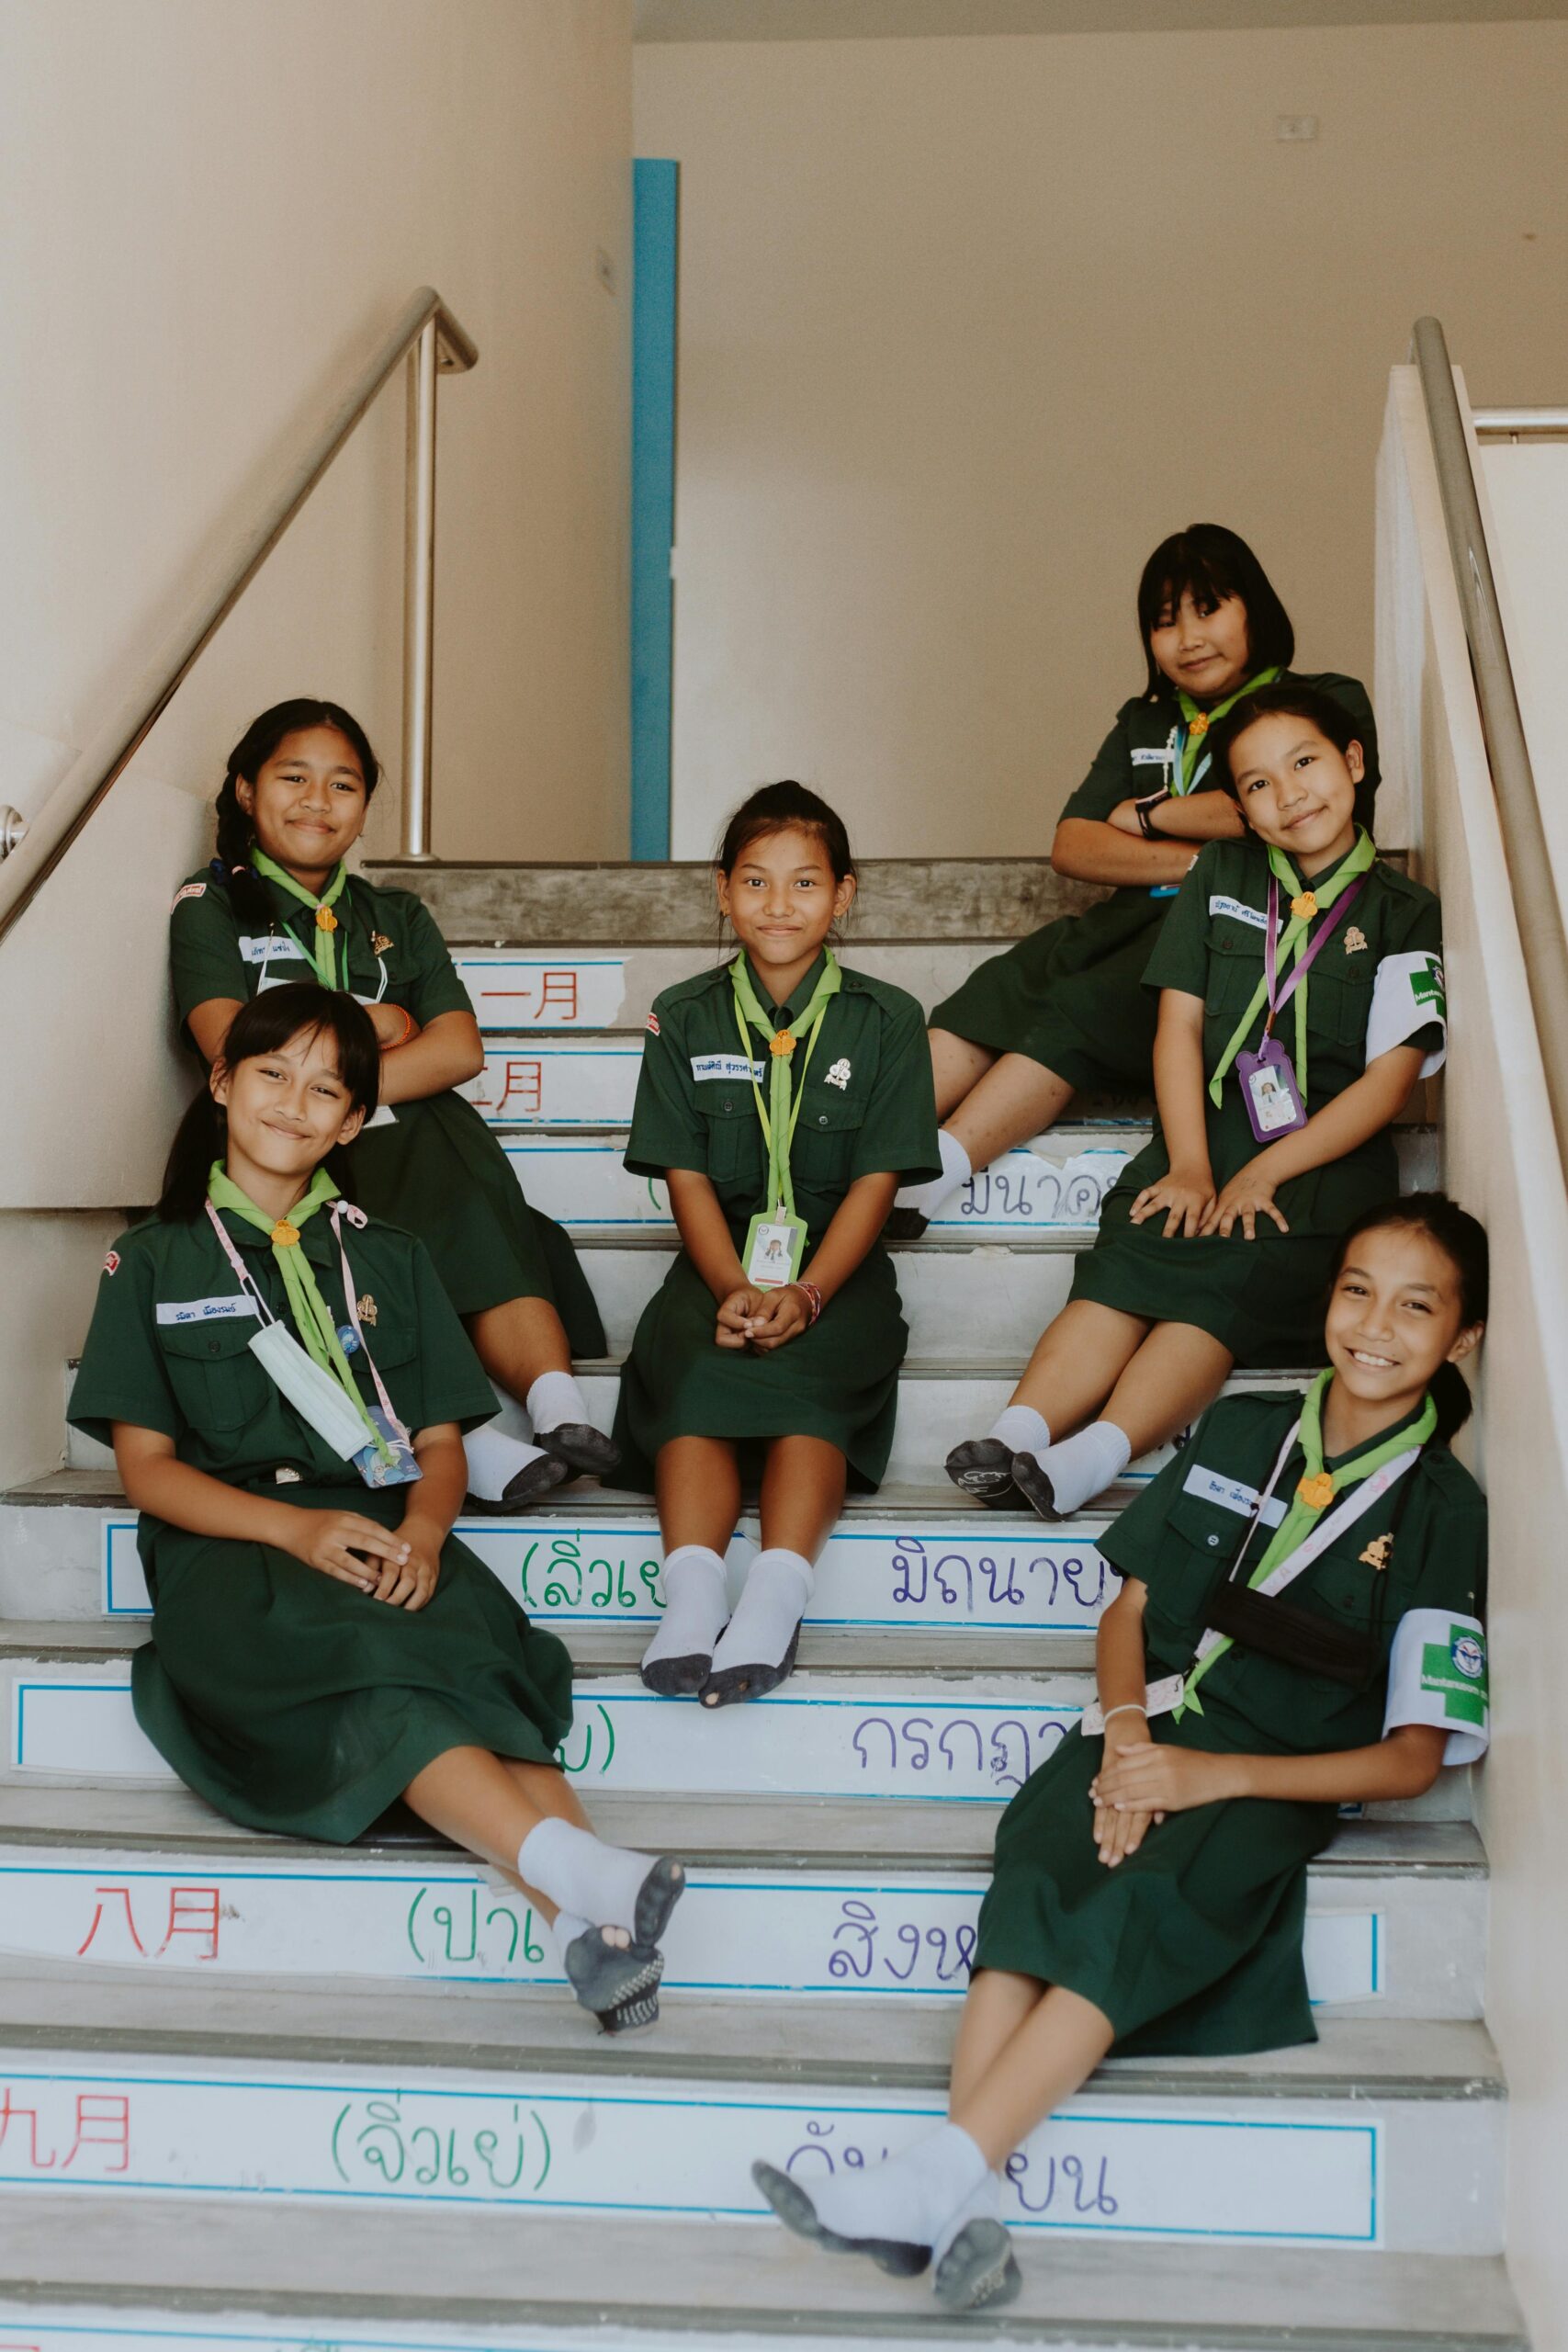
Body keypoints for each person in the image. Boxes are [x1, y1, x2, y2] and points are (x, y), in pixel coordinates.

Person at [756, 1193, 1490, 2311]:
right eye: (1357, 1290)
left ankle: (932, 2182)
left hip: (1269, 1777)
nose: (1376, 1325)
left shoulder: (1445, 1508)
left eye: (1416, 1306)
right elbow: (1128, 1615)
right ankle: (963, 2209)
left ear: (1462, 1339)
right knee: (1042, 1861)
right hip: (1149, 1726)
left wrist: (1213, 1776)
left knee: (1136, 1905)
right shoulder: (1248, 1426)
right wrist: (1132, 1738)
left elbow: (1410, 1764)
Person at [69, 984, 685, 2033]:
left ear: (355, 1121)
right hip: (236, 1548)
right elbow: (150, 1472)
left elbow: (441, 1445)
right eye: (270, 1074)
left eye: (326, 1090)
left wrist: (429, 1529)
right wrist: (293, 1527)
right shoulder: (153, 1259)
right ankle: (586, 1874)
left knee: (477, 1667)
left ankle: (582, 1927)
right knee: (384, 1685)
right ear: (221, 1082)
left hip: (385, 1528)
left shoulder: (390, 1254)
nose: (293, 1104)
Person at [947, 682, 1443, 1521]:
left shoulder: (1405, 913)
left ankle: (1088, 1459)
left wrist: (1260, 1176)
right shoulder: (1220, 871)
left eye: (1305, 763)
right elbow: (1175, 1029)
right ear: (1239, 809)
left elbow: (1388, 1084)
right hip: (1205, 1130)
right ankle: (1012, 1436)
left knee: (1224, 1275)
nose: (1287, 795)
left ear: (1352, 763)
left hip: (1322, 1157)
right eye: (1255, 784)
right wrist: (1187, 1161)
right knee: (1125, 1263)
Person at [168, 698, 615, 1512]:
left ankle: (560, 1409)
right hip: (276, 1136)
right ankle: (474, 1444)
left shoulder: (395, 915)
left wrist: (331, 1068)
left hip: (400, 1133)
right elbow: (234, 1049)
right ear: (243, 789)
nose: (317, 801)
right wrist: (373, 1025)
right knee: (349, 1219)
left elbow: (457, 1050)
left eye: (342, 785)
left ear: (364, 805)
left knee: (453, 1152)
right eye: (292, 778)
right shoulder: (209, 906)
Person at [889, 526, 1378, 1238]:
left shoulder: (1318, 699)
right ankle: (851, 1157)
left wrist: (1149, 815)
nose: (1187, 636)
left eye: (1207, 608)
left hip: (1236, 932)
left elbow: (1254, 809)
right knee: (1008, 983)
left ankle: (927, 1178)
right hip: (1127, 920)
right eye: (1164, 620)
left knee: (1085, 1004)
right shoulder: (1145, 720)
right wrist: (1194, 857)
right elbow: (1073, 843)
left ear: (1256, 611)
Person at [614, 783, 941, 1705]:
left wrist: (808, 1294)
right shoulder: (683, 1014)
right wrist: (727, 1284)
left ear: (843, 894)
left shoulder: (888, 1020)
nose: (778, 903)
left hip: (837, 1270)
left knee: (809, 1387)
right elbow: (683, 1174)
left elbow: (877, 1180)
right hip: (715, 1265)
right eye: (755, 881)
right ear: (722, 892)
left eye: (804, 882)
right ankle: (689, 1594)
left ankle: (776, 1589)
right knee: (693, 1376)